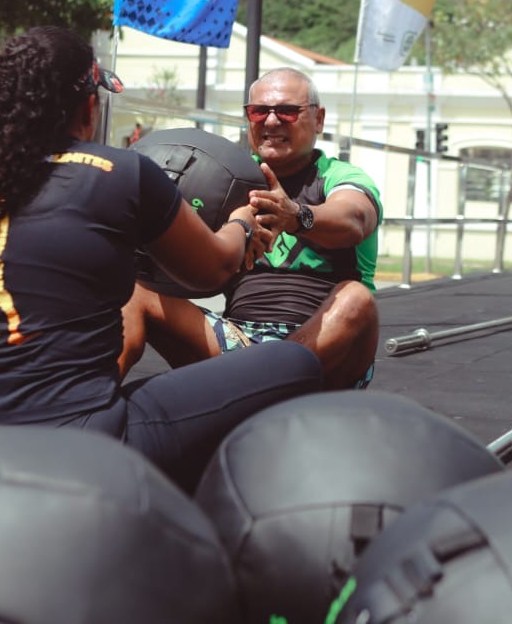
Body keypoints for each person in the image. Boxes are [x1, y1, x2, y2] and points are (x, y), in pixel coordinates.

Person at [0, 28, 322, 491]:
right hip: (72, 445)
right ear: (88, 106)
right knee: (296, 363)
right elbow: (211, 269)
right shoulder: (124, 171)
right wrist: (240, 223)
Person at [121, 67, 382, 390]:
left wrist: (297, 216)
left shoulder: (339, 177)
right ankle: (84, 409)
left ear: (319, 119)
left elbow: (354, 218)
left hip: (324, 352)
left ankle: (264, 386)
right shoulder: (228, 180)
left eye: (287, 112)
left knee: (357, 299)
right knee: (133, 292)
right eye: (259, 111)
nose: (271, 122)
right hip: (238, 344)